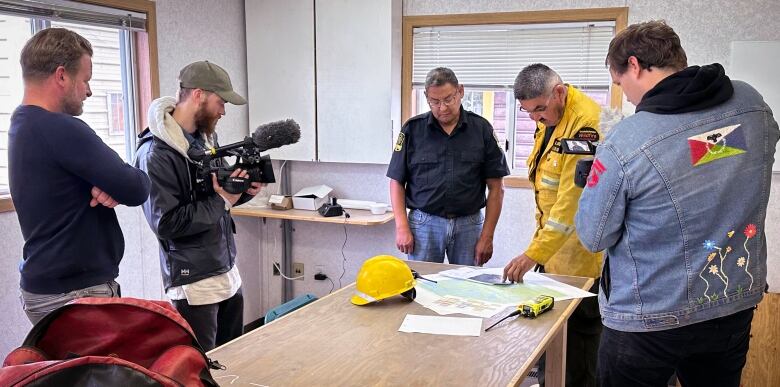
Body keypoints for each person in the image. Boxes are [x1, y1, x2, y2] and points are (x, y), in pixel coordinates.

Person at [575, 20, 779, 387]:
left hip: (648, 317)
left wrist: (595, 183)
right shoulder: (752, 105)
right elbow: (708, 153)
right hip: (730, 299)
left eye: (620, 84)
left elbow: (594, 235)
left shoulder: (627, 140)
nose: (627, 96)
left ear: (634, 65)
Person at [8, 28, 151, 324]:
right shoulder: (60, 128)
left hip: (47, 287)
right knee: (101, 371)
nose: (89, 91)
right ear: (61, 76)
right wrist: (114, 184)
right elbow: (137, 187)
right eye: (85, 79)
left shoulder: (22, 125)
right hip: (74, 292)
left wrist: (108, 184)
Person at [134, 61, 263, 351]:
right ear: (199, 95)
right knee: (201, 370)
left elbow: (219, 198)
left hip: (226, 270)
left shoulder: (206, 141)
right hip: (194, 284)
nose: (224, 111)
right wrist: (223, 200)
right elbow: (167, 224)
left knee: (234, 362)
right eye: (221, 101)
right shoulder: (156, 154)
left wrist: (244, 192)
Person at [502, 63, 603, 387]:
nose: (535, 118)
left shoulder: (585, 125)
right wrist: (540, 252)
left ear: (559, 92)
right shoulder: (550, 116)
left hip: (580, 255)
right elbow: (547, 187)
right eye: (528, 112)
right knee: (555, 340)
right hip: (554, 251)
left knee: (579, 348)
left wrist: (532, 254)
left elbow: (570, 205)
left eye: (539, 110)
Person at [387, 67, 509, 266]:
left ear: (460, 91)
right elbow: (396, 182)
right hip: (424, 223)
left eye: (448, 99)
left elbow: (497, 188)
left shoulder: (482, 129)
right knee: (423, 286)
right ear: (427, 97)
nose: (442, 108)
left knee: (468, 287)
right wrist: (401, 226)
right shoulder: (412, 130)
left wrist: (487, 236)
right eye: (434, 102)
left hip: (469, 225)